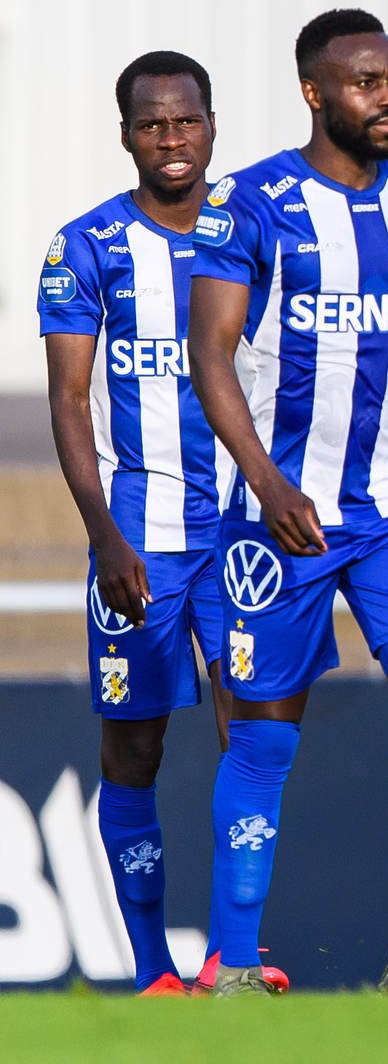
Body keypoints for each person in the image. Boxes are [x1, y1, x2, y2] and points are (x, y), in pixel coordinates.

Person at [187, 9, 388, 996]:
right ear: (316, 92)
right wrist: (266, 481)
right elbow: (210, 354)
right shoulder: (253, 202)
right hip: (282, 516)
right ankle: (231, 960)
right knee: (264, 736)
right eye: (366, 82)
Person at [37, 51, 258, 996]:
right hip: (141, 532)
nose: (172, 139)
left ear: (213, 124)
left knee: (253, 729)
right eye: (151, 124)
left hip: (248, 532)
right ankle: (148, 972)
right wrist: (104, 538)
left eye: (187, 120)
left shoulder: (262, 226)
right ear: (126, 135)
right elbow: (70, 401)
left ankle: (237, 959)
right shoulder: (85, 246)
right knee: (134, 747)